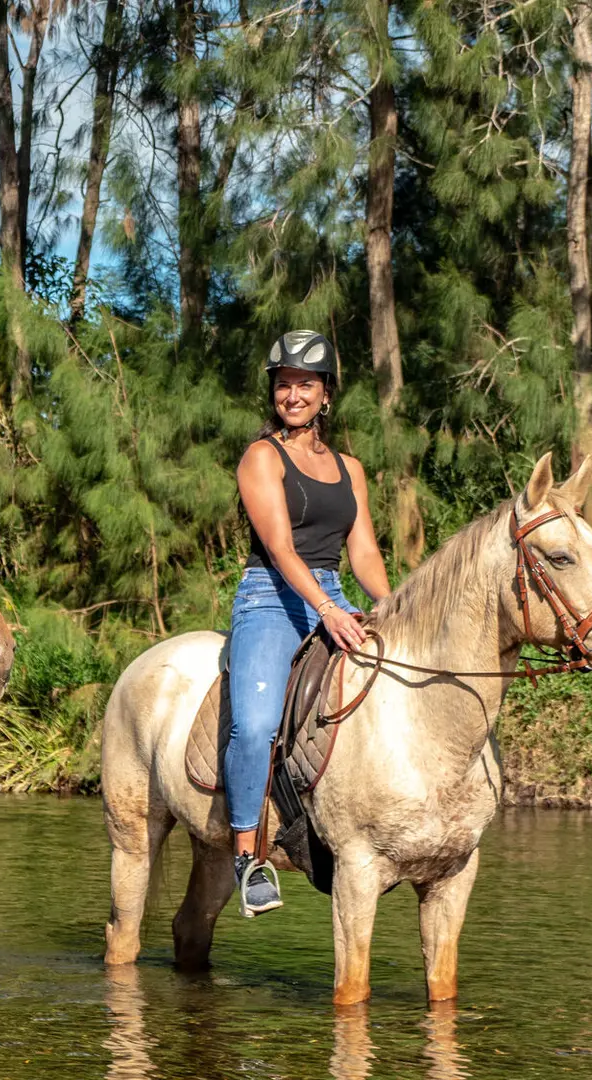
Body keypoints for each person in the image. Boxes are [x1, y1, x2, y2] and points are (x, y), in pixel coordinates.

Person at [224, 330, 391, 917]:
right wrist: (325, 611)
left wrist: (393, 606)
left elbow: (364, 552)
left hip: (334, 592)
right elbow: (279, 548)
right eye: (283, 385)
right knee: (255, 723)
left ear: (326, 395)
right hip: (271, 596)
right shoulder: (261, 457)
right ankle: (247, 858)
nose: (292, 395)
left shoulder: (351, 469)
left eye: (305, 385)